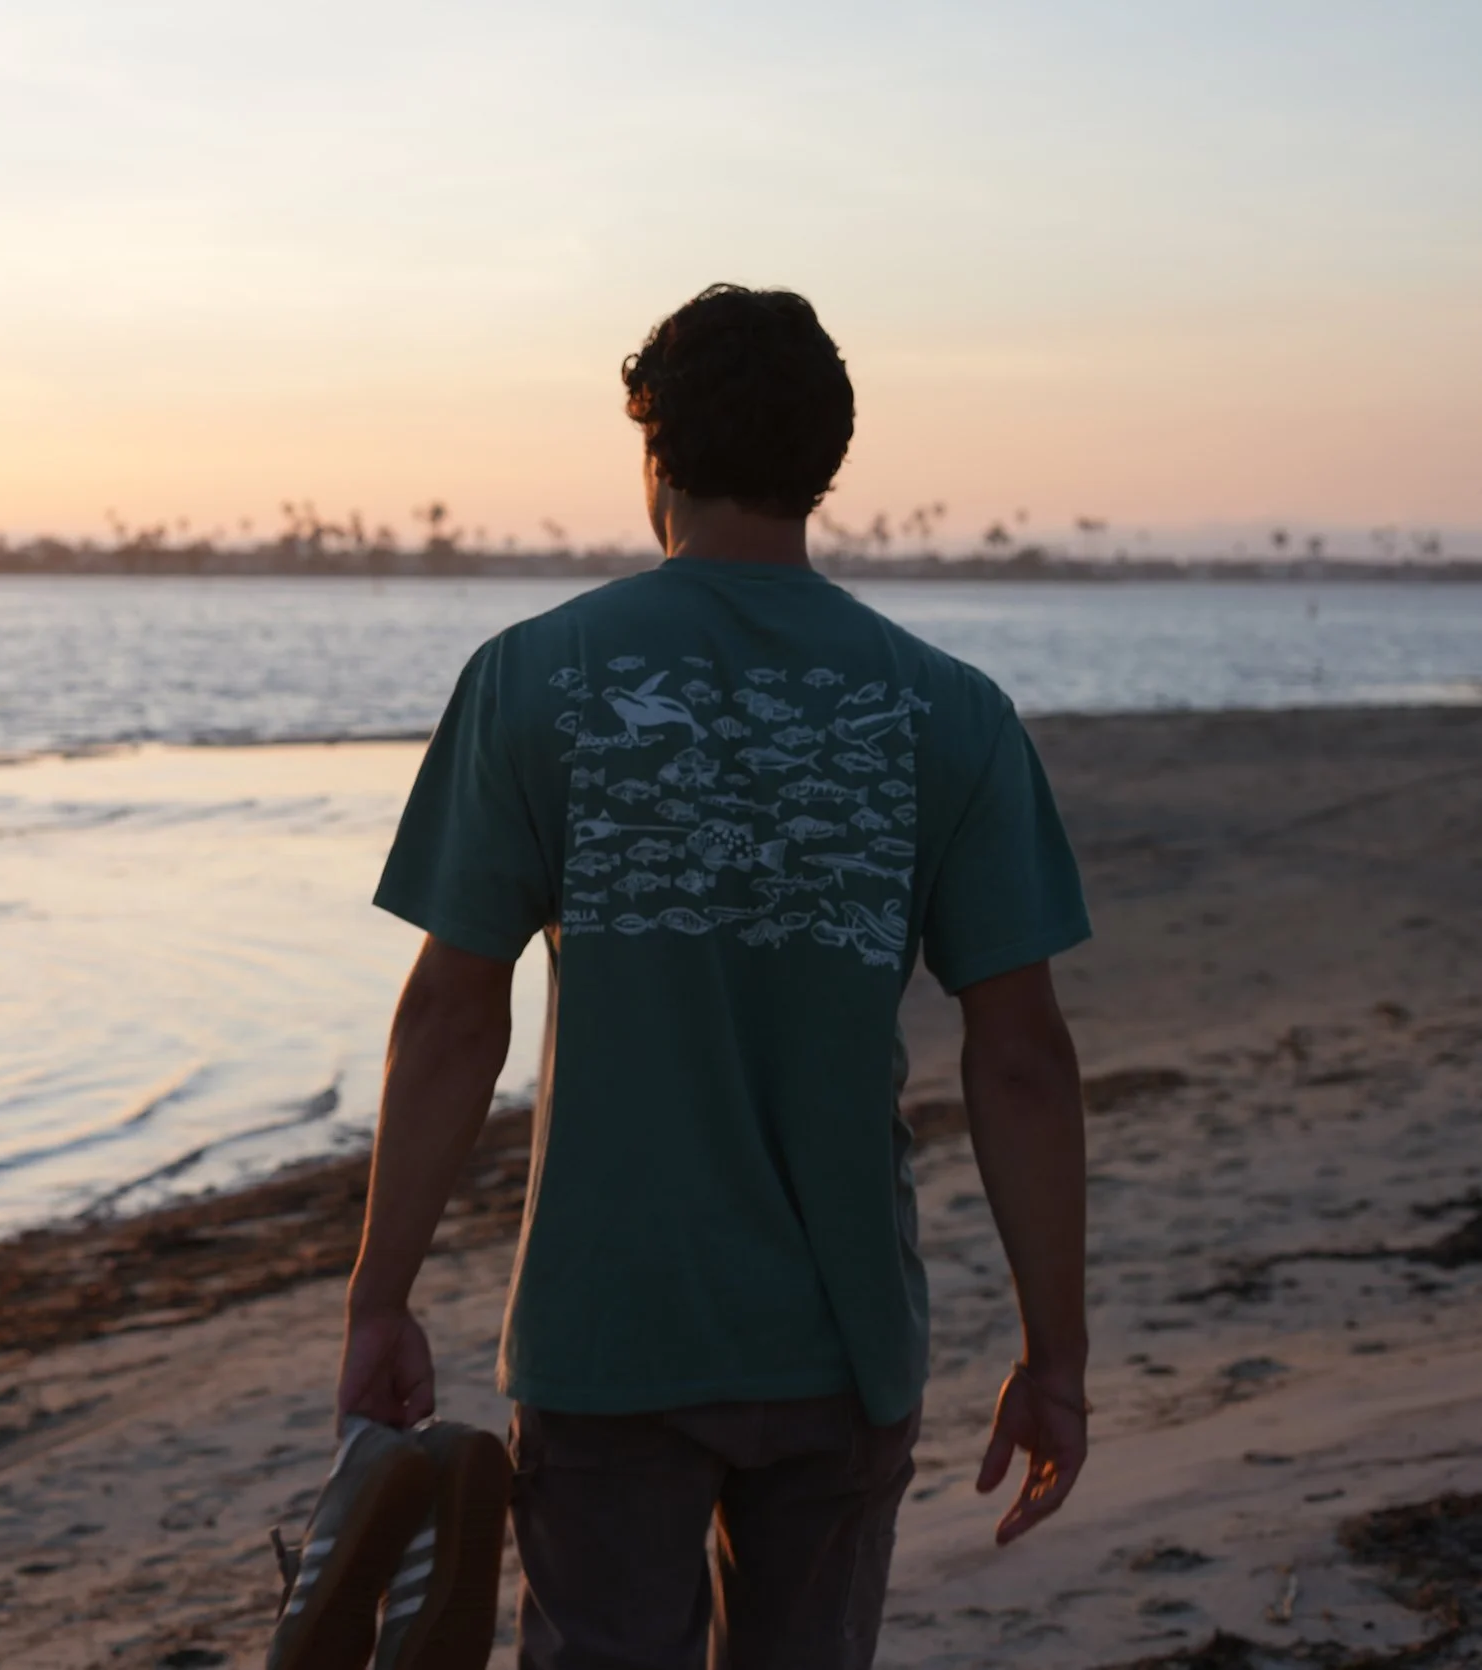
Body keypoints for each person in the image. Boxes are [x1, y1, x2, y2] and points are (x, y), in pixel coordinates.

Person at [339, 284, 1092, 1669]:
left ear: (656, 455)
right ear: (825, 468)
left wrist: (380, 1295)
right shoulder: (952, 711)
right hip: (844, 1341)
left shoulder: (533, 679)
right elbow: (1024, 1059)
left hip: (609, 1333)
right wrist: (1057, 1357)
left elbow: (451, 1015)